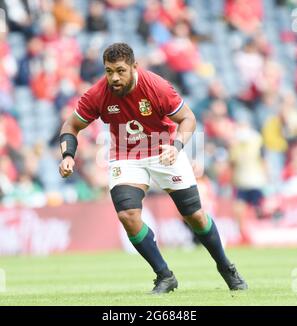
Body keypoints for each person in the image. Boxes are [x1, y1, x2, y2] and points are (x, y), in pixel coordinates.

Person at [58, 43, 248, 294]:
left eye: (120, 70)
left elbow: (188, 118)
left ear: (134, 67)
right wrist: (68, 155)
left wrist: (176, 146)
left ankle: (226, 267)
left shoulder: (156, 86)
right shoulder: (97, 93)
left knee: (195, 216)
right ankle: (164, 275)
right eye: (108, 71)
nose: (114, 77)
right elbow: (71, 125)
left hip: (165, 150)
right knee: (128, 214)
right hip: (126, 154)